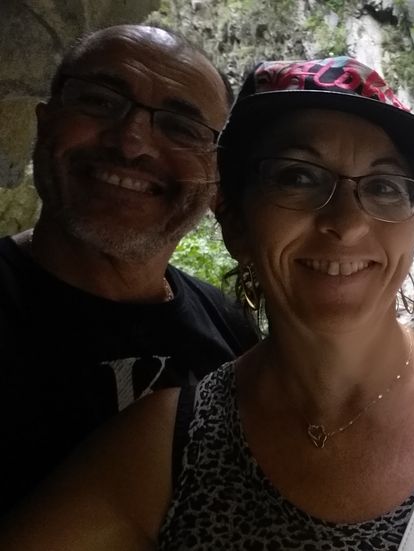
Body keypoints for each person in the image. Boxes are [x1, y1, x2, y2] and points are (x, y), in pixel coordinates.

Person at [0, 56, 414, 549]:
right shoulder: (164, 445)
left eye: (385, 186)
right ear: (233, 218)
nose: (347, 222)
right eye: (297, 177)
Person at [0, 25, 258, 517]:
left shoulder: (233, 332)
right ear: (45, 121)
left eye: (181, 128)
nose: (131, 143)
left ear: (216, 176)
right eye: (99, 101)